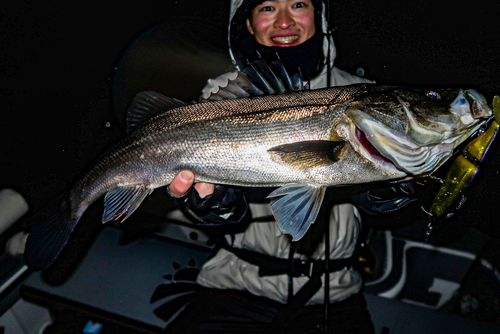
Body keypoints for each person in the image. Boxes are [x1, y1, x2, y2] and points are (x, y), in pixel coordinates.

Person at [164, 0, 377, 333]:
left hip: (332, 297)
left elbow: (380, 204)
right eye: (267, 8)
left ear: (318, 16)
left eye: (297, 4)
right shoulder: (224, 95)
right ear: (248, 24)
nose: (284, 21)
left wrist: (394, 191)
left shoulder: (363, 98)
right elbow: (217, 208)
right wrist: (217, 205)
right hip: (235, 285)